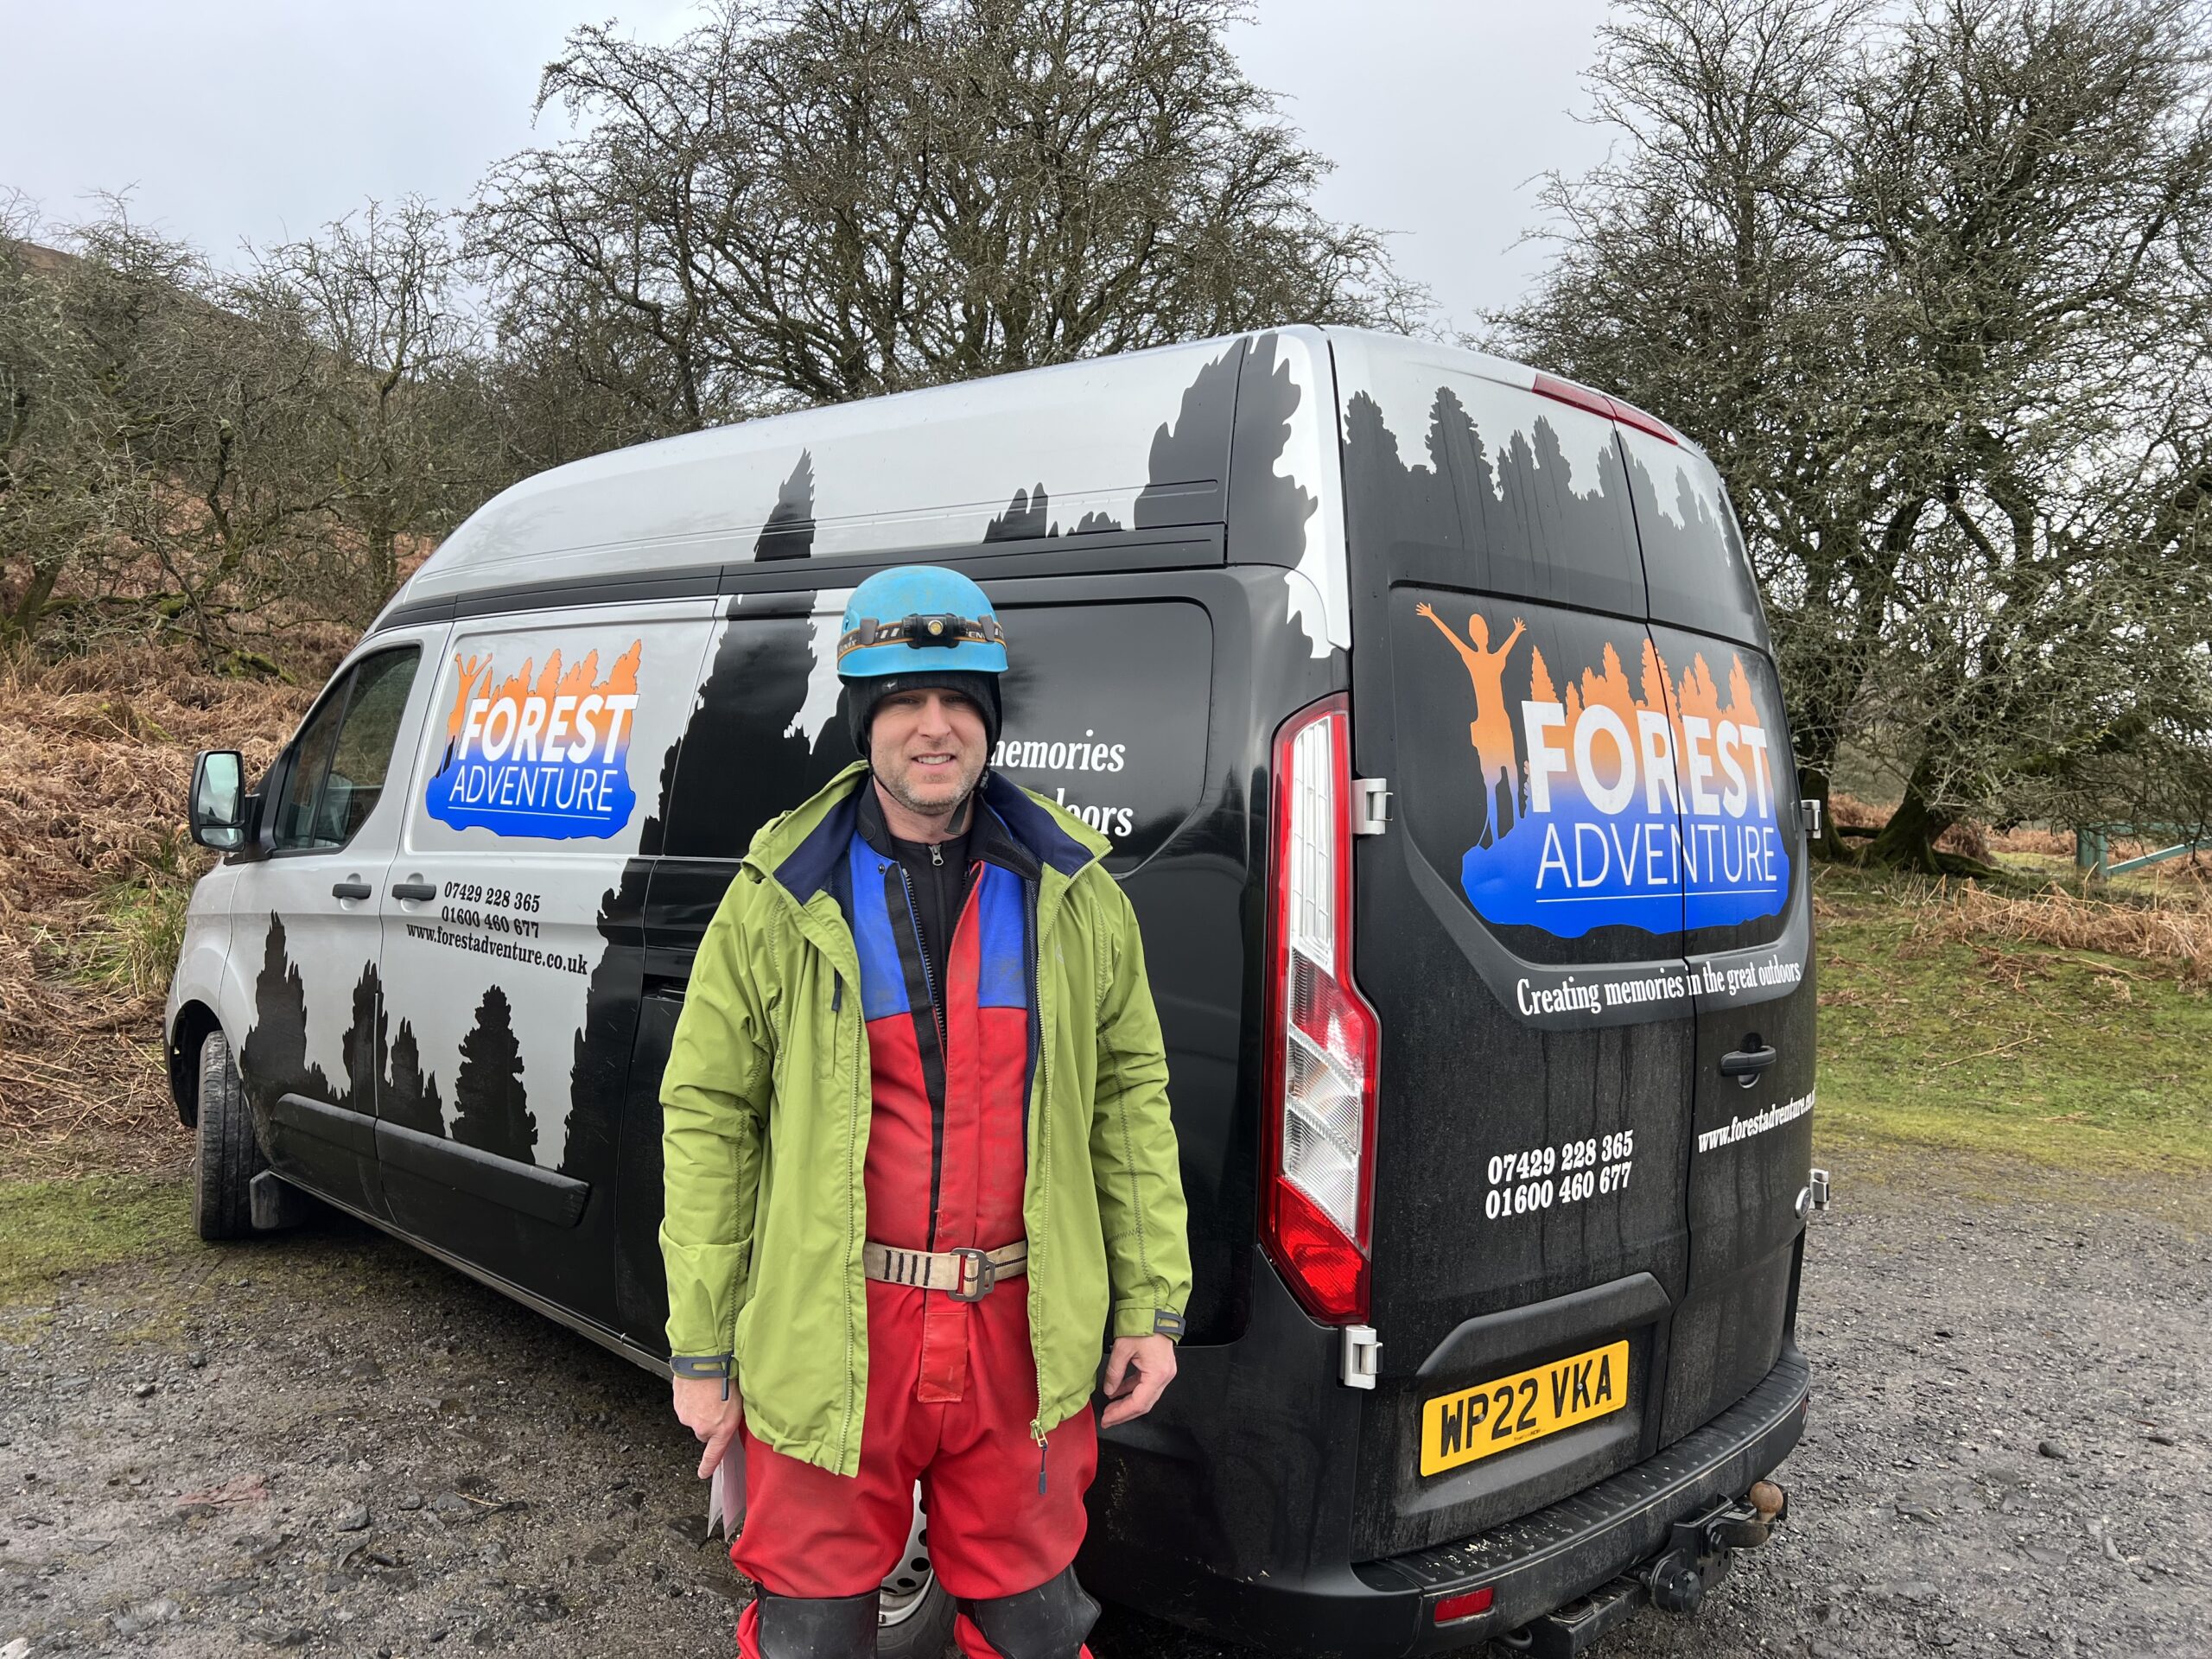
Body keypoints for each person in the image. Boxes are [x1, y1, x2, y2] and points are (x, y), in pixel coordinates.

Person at [660, 565, 1192, 1659]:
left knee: (1036, 1625)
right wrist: (702, 1350)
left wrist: (1149, 1304)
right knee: (813, 1629)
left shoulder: (1076, 893)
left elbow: (1131, 1106)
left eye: (960, 700)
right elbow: (709, 1117)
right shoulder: (779, 898)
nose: (934, 728)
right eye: (904, 701)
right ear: (866, 722)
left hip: (1020, 1333)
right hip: (832, 1327)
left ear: (991, 719)